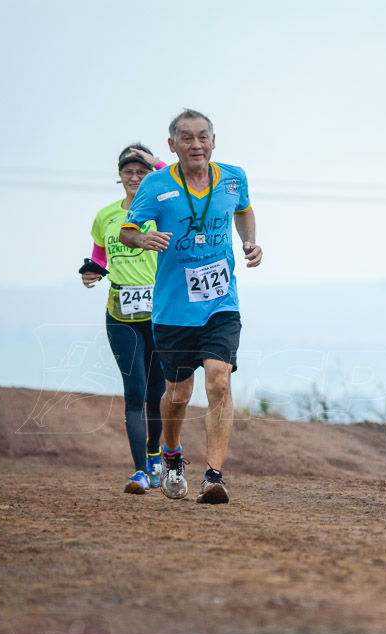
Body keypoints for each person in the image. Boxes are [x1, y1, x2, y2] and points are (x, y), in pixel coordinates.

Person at [120, 109, 262, 505]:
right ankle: (171, 454)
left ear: (214, 141)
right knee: (178, 395)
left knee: (219, 379)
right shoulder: (155, 186)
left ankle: (213, 476)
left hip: (221, 302)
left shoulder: (234, 177)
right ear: (172, 145)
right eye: (186, 138)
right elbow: (127, 230)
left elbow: (244, 210)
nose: (196, 145)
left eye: (203, 137)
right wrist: (142, 240)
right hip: (173, 309)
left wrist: (250, 241)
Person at [80, 144, 167, 494]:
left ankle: (155, 453)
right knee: (135, 391)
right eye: (128, 172)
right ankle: (140, 472)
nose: (134, 177)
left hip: (161, 313)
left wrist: (151, 160)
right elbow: (100, 255)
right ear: (119, 176)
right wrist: (92, 271)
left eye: (141, 172)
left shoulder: (163, 209)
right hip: (121, 314)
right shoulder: (105, 216)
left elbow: (171, 173)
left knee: (157, 393)